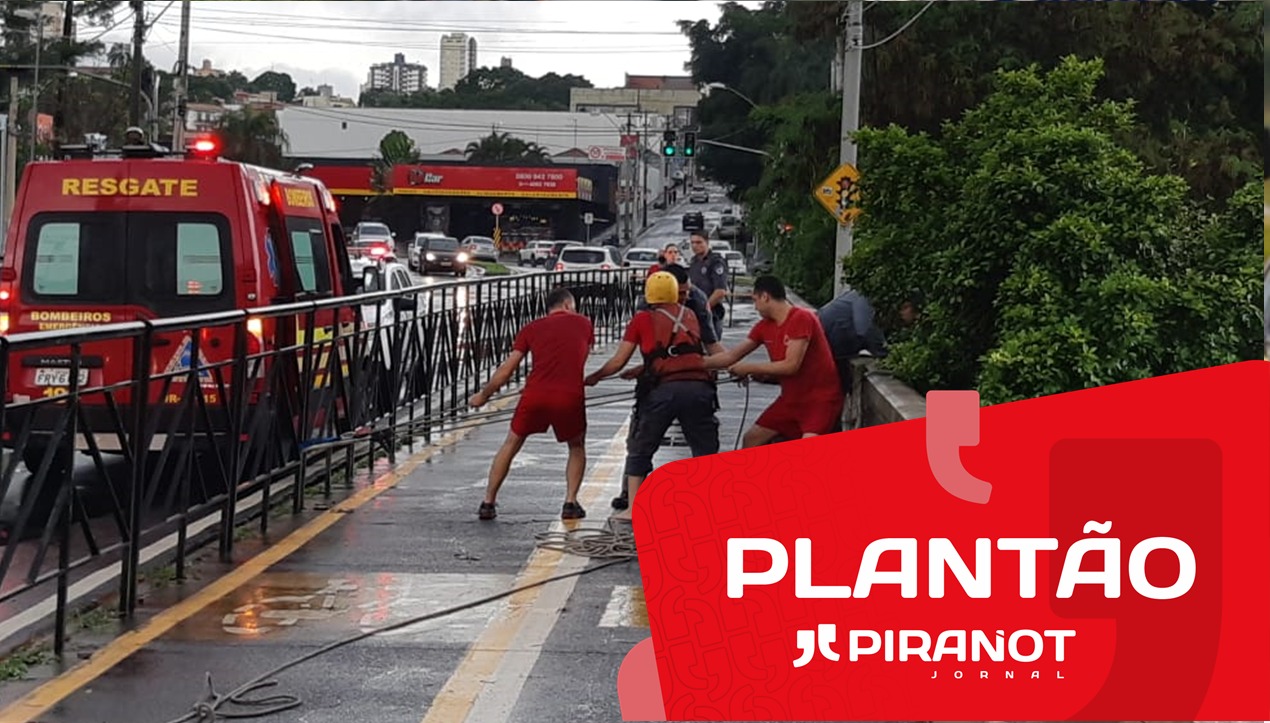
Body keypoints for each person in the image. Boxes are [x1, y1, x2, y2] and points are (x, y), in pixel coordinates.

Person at [586, 271, 720, 520]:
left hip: (663, 392)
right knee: (704, 449)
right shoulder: (690, 314)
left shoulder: (642, 319)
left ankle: (634, 507)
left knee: (641, 445)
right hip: (699, 387)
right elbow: (681, 353)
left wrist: (594, 377)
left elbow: (618, 361)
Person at [469, 286, 593, 521]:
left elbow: (508, 368)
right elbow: (579, 355)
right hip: (570, 395)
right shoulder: (584, 324)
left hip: (535, 393)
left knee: (512, 443)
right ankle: (570, 502)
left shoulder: (531, 328)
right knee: (576, 446)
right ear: (567, 305)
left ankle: (488, 501)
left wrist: (484, 395)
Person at [704, 275, 843, 447]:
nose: (755, 307)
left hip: (819, 400)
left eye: (755, 300)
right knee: (751, 439)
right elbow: (731, 356)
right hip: (790, 400)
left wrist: (749, 368)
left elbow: (791, 366)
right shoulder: (764, 326)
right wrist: (696, 363)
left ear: (765, 296)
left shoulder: (801, 318)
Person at [818, 286, 887, 396]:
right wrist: (885, 355)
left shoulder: (856, 296)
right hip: (827, 349)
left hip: (835, 350)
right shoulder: (864, 297)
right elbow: (865, 329)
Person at [687, 232, 729, 339]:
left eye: (699, 242)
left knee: (712, 350)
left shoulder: (715, 262)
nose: (695, 246)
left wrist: (705, 309)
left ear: (707, 242)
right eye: (692, 243)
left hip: (711, 314)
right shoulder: (694, 262)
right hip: (695, 314)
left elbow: (720, 291)